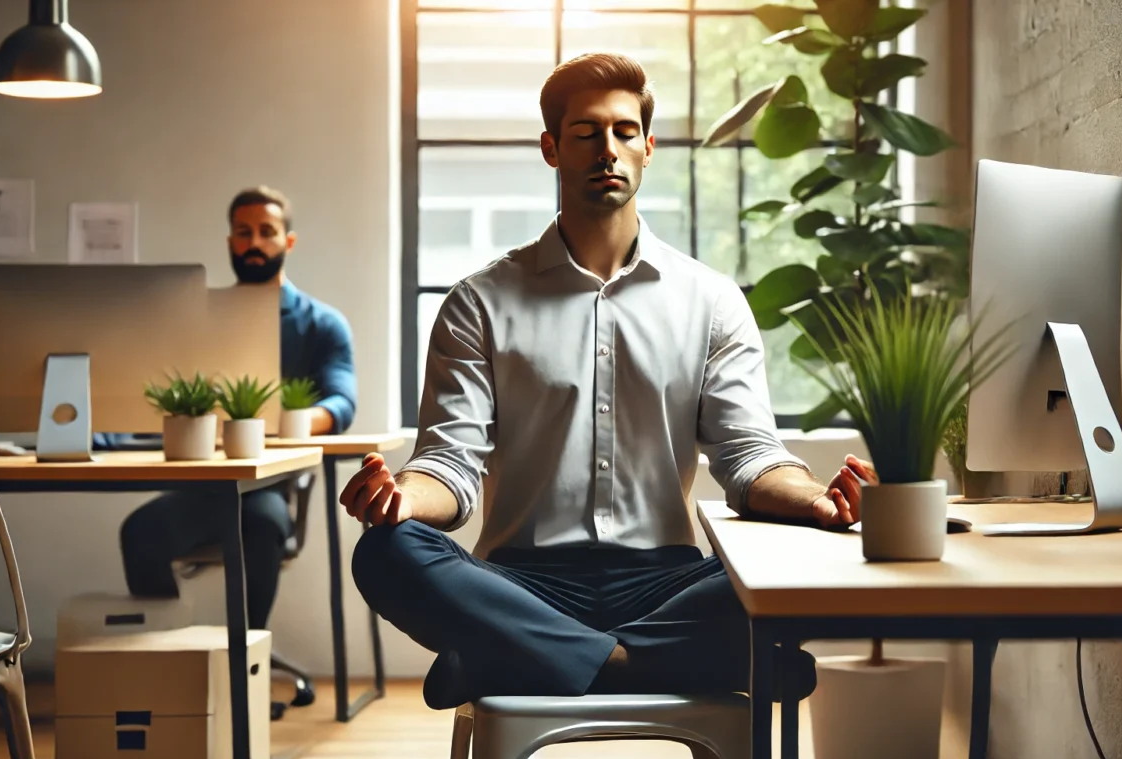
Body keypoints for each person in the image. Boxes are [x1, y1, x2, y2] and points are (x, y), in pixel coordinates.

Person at [343, 53, 874, 711]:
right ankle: (641, 663)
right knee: (387, 553)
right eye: (586, 133)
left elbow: (749, 458)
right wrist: (399, 497)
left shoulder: (710, 301)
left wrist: (817, 499)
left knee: (812, 551)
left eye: (625, 132)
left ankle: (509, 658)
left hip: (670, 583)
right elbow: (450, 467)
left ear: (649, 148)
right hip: (521, 583)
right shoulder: (479, 302)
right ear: (551, 148)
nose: (608, 149)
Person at [107, 186, 357, 638]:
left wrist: (285, 422)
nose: (254, 243)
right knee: (140, 532)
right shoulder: (196, 317)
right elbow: (158, 392)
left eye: (267, 232)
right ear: (229, 242)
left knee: (259, 522)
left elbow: (342, 402)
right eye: (243, 232)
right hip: (200, 484)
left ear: (288, 241)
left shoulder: (322, 323)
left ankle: (248, 666)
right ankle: (170, 655)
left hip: (267, 486)